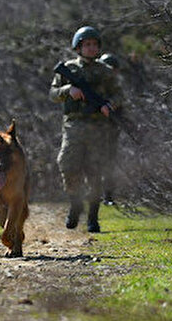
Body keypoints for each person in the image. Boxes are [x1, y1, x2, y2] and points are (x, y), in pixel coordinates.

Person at [49, 26, 123, 233]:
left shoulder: (106, 72)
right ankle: (75, 203)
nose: (91, 48)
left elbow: (119, 95)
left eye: (94, 45)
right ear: (78, 47)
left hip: (99, 127)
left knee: (95, 172)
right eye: (87, 45)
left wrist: (110, 106)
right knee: (68, 165)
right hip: (74, 125)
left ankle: (93, 217)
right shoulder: (68, 68)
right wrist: (68, 90)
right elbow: (53, 93)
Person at [98, 52, 122, 206]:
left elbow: (120, 105)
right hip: (93, 129)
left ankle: (108, 196)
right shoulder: (96, 86)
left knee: (109, 163)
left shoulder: (115, 89)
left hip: (110, 130)